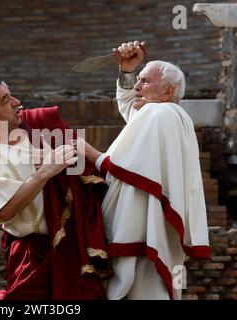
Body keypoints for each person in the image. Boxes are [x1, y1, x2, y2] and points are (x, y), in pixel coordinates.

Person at [77, 41, 211, 300]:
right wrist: (127, 71)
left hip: (144, 225)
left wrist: (89, 152)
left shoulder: (159, 115)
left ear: (167, 91)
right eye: (137, 80)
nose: (137, 87)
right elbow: (132, 108)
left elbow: (125, 165)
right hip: (148, 223)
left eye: (145, 81)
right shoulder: (165, 114)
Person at [0, 73, 111, 300]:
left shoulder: (38, 128)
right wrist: (47, 170)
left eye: (11, 95)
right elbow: (4, 211)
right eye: (5, 100)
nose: (16, 102)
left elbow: (80, 163)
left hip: (71, 243)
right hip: (29, 255)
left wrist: (65, 154)